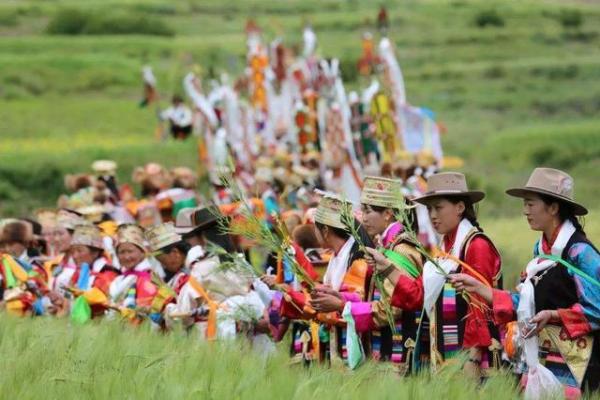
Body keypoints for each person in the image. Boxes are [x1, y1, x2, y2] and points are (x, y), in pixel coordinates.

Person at [450, 168, 600, 397]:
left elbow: (596, 308)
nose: (525, 211)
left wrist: (554, 315)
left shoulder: (580, 253)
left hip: (580, 365)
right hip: (543, 360)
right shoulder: (541, 254)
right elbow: (526, 303)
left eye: (531, 204)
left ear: (553, 207)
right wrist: (479, 288)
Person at [384, 172, 502, 377]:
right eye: (429, 208)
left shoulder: (476, 246)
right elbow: (418, 295)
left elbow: (480, 306)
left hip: (473, 360)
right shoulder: (444, 250)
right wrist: (385, 267)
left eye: (438, 207)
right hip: (448, 357)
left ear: (460, 207)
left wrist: (472, 357)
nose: (432, 215)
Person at [351, 176, 424, 371]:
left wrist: (349, 311)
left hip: (397, 347)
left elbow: (394, 307)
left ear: (388, 214)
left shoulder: (400, 250)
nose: (363, 218)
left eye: (368, 211)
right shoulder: (387, 245)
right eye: (362, 210)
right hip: (386, 343)